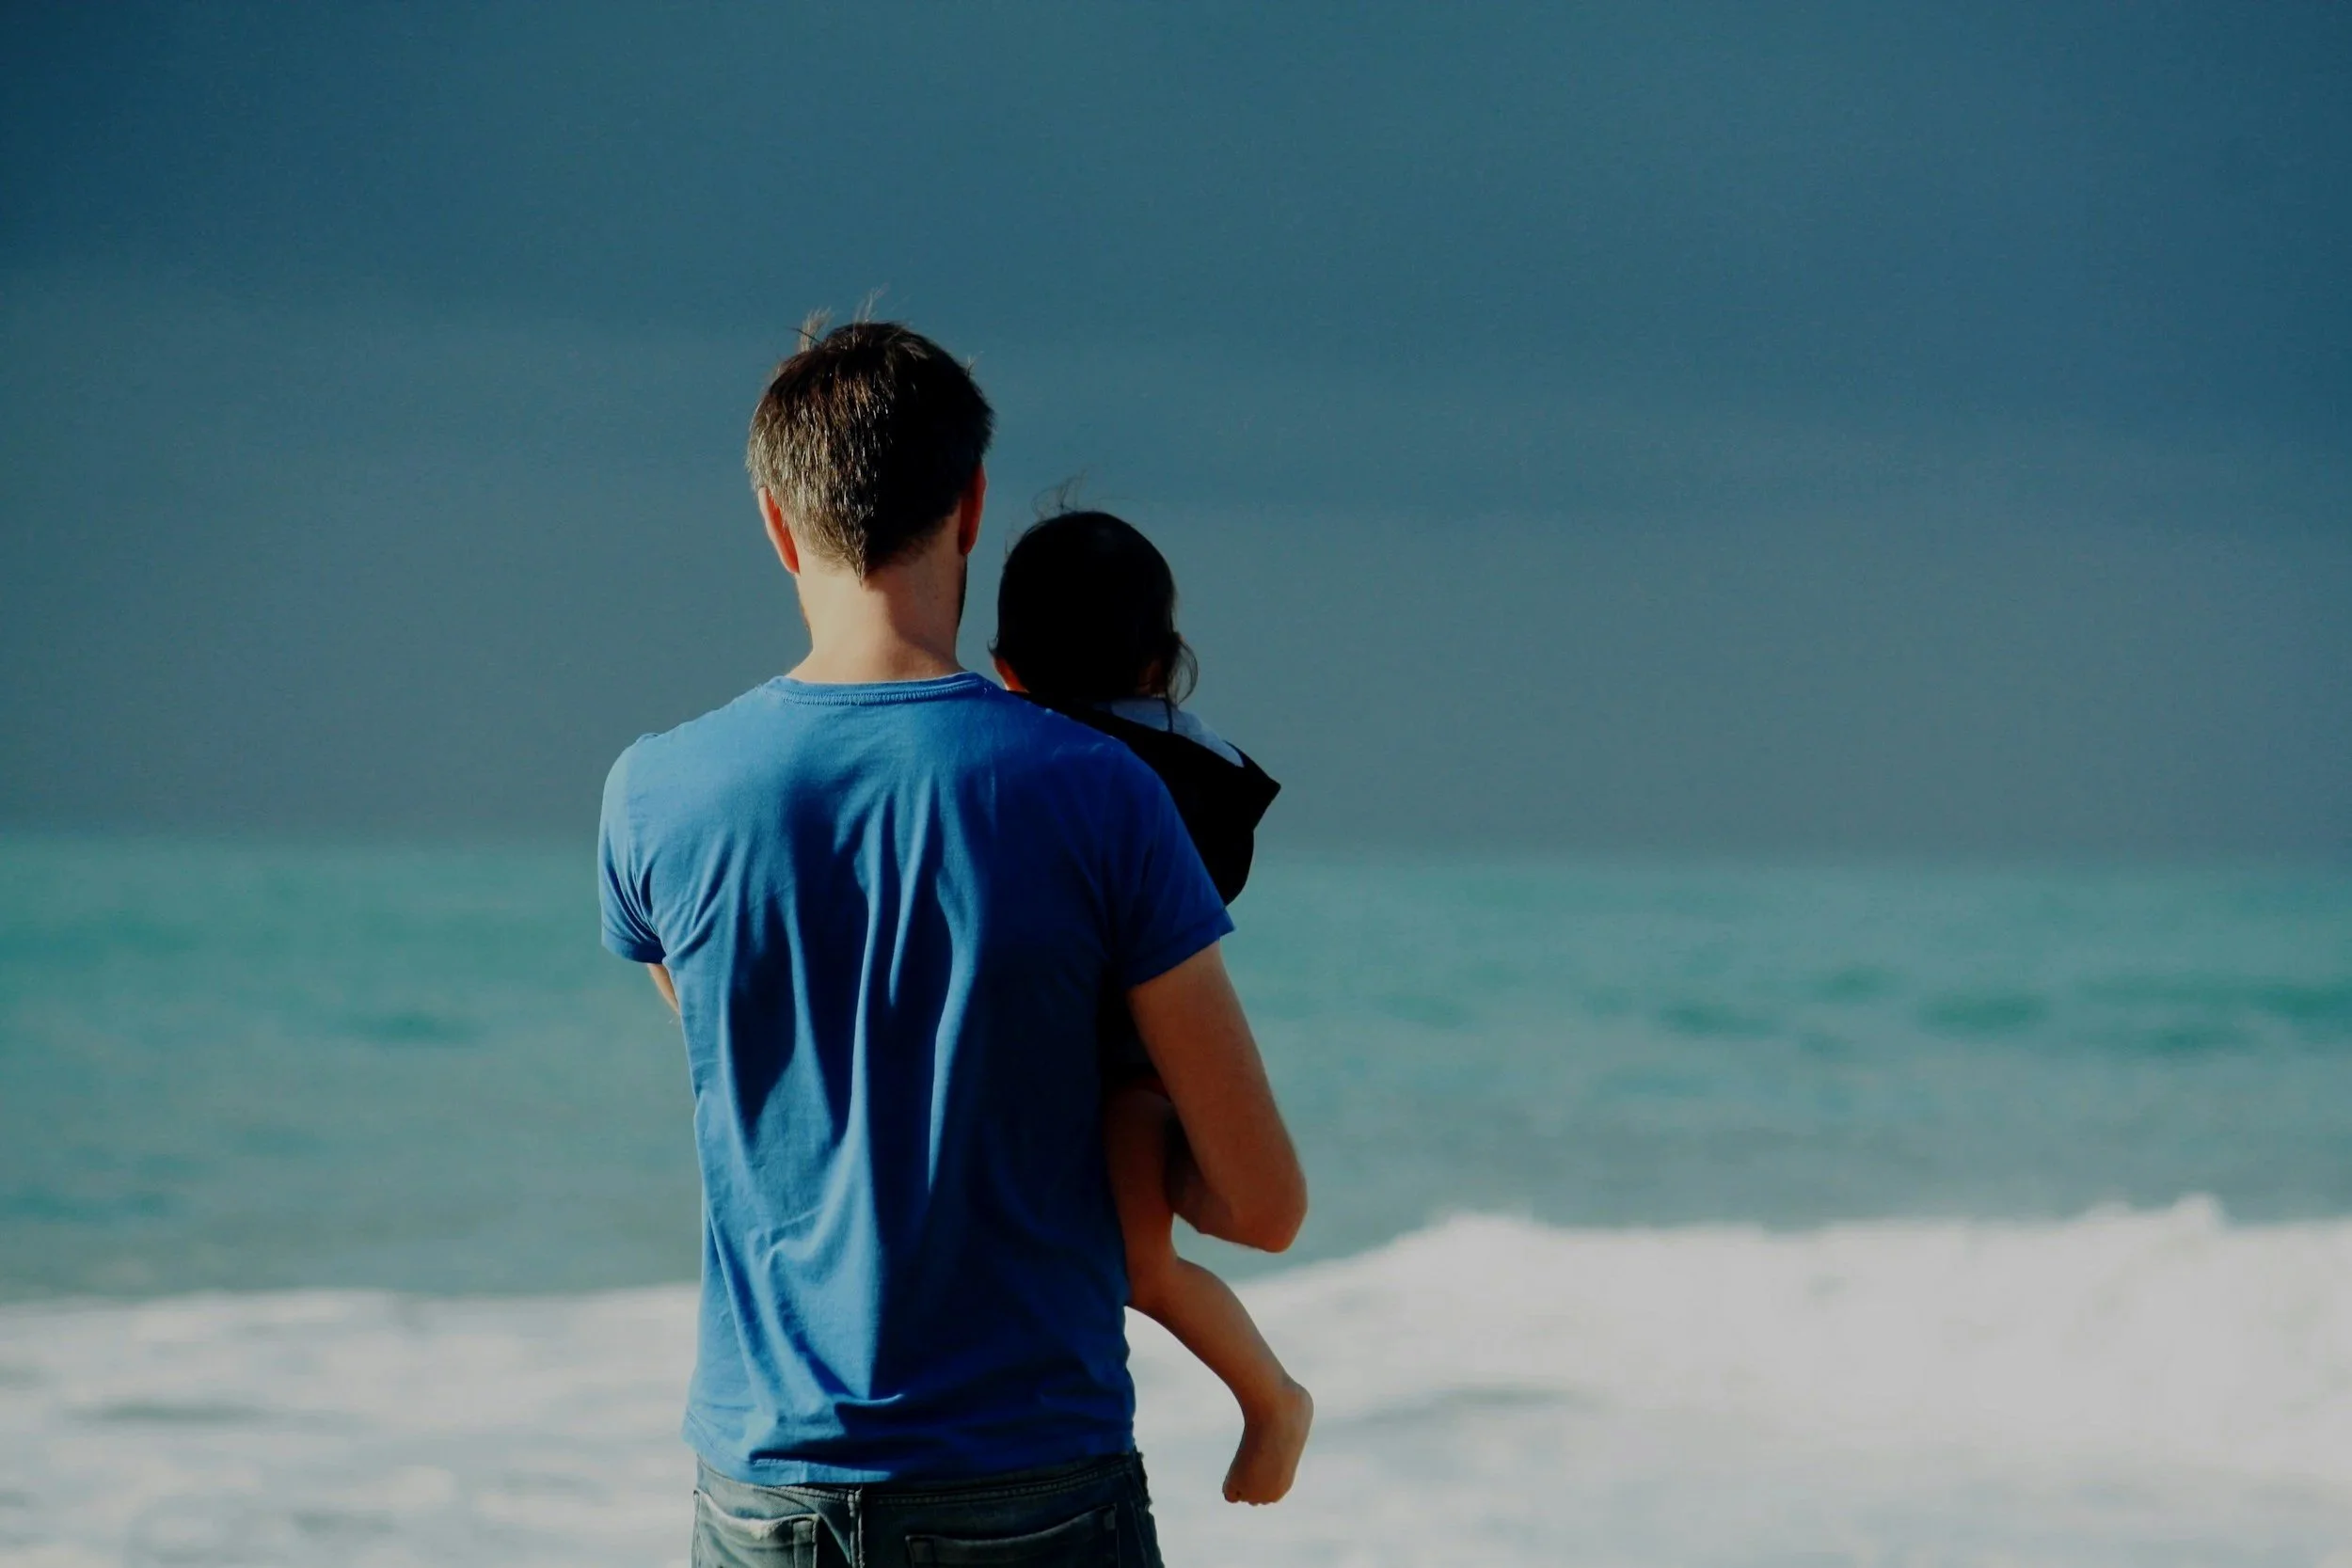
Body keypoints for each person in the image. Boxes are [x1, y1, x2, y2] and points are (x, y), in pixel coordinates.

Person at [597, 320, 1308, 1568]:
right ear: (971, 503)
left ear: (775, 521)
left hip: (769, 1485)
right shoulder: (1102, 793)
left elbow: (770, 1074)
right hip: (1029, 1475)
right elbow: (1262, 1203)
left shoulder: (654, 794)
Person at [991, 510, 1313, 1505]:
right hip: (1143, 1061)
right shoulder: (1192, 760)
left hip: (1129, 1063)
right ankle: (1268, 1395)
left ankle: (1272, 1398)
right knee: (1139, 1259)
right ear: (1163, 660)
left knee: (1137, 1261)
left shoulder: (1026, 759)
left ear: (1004, 667)